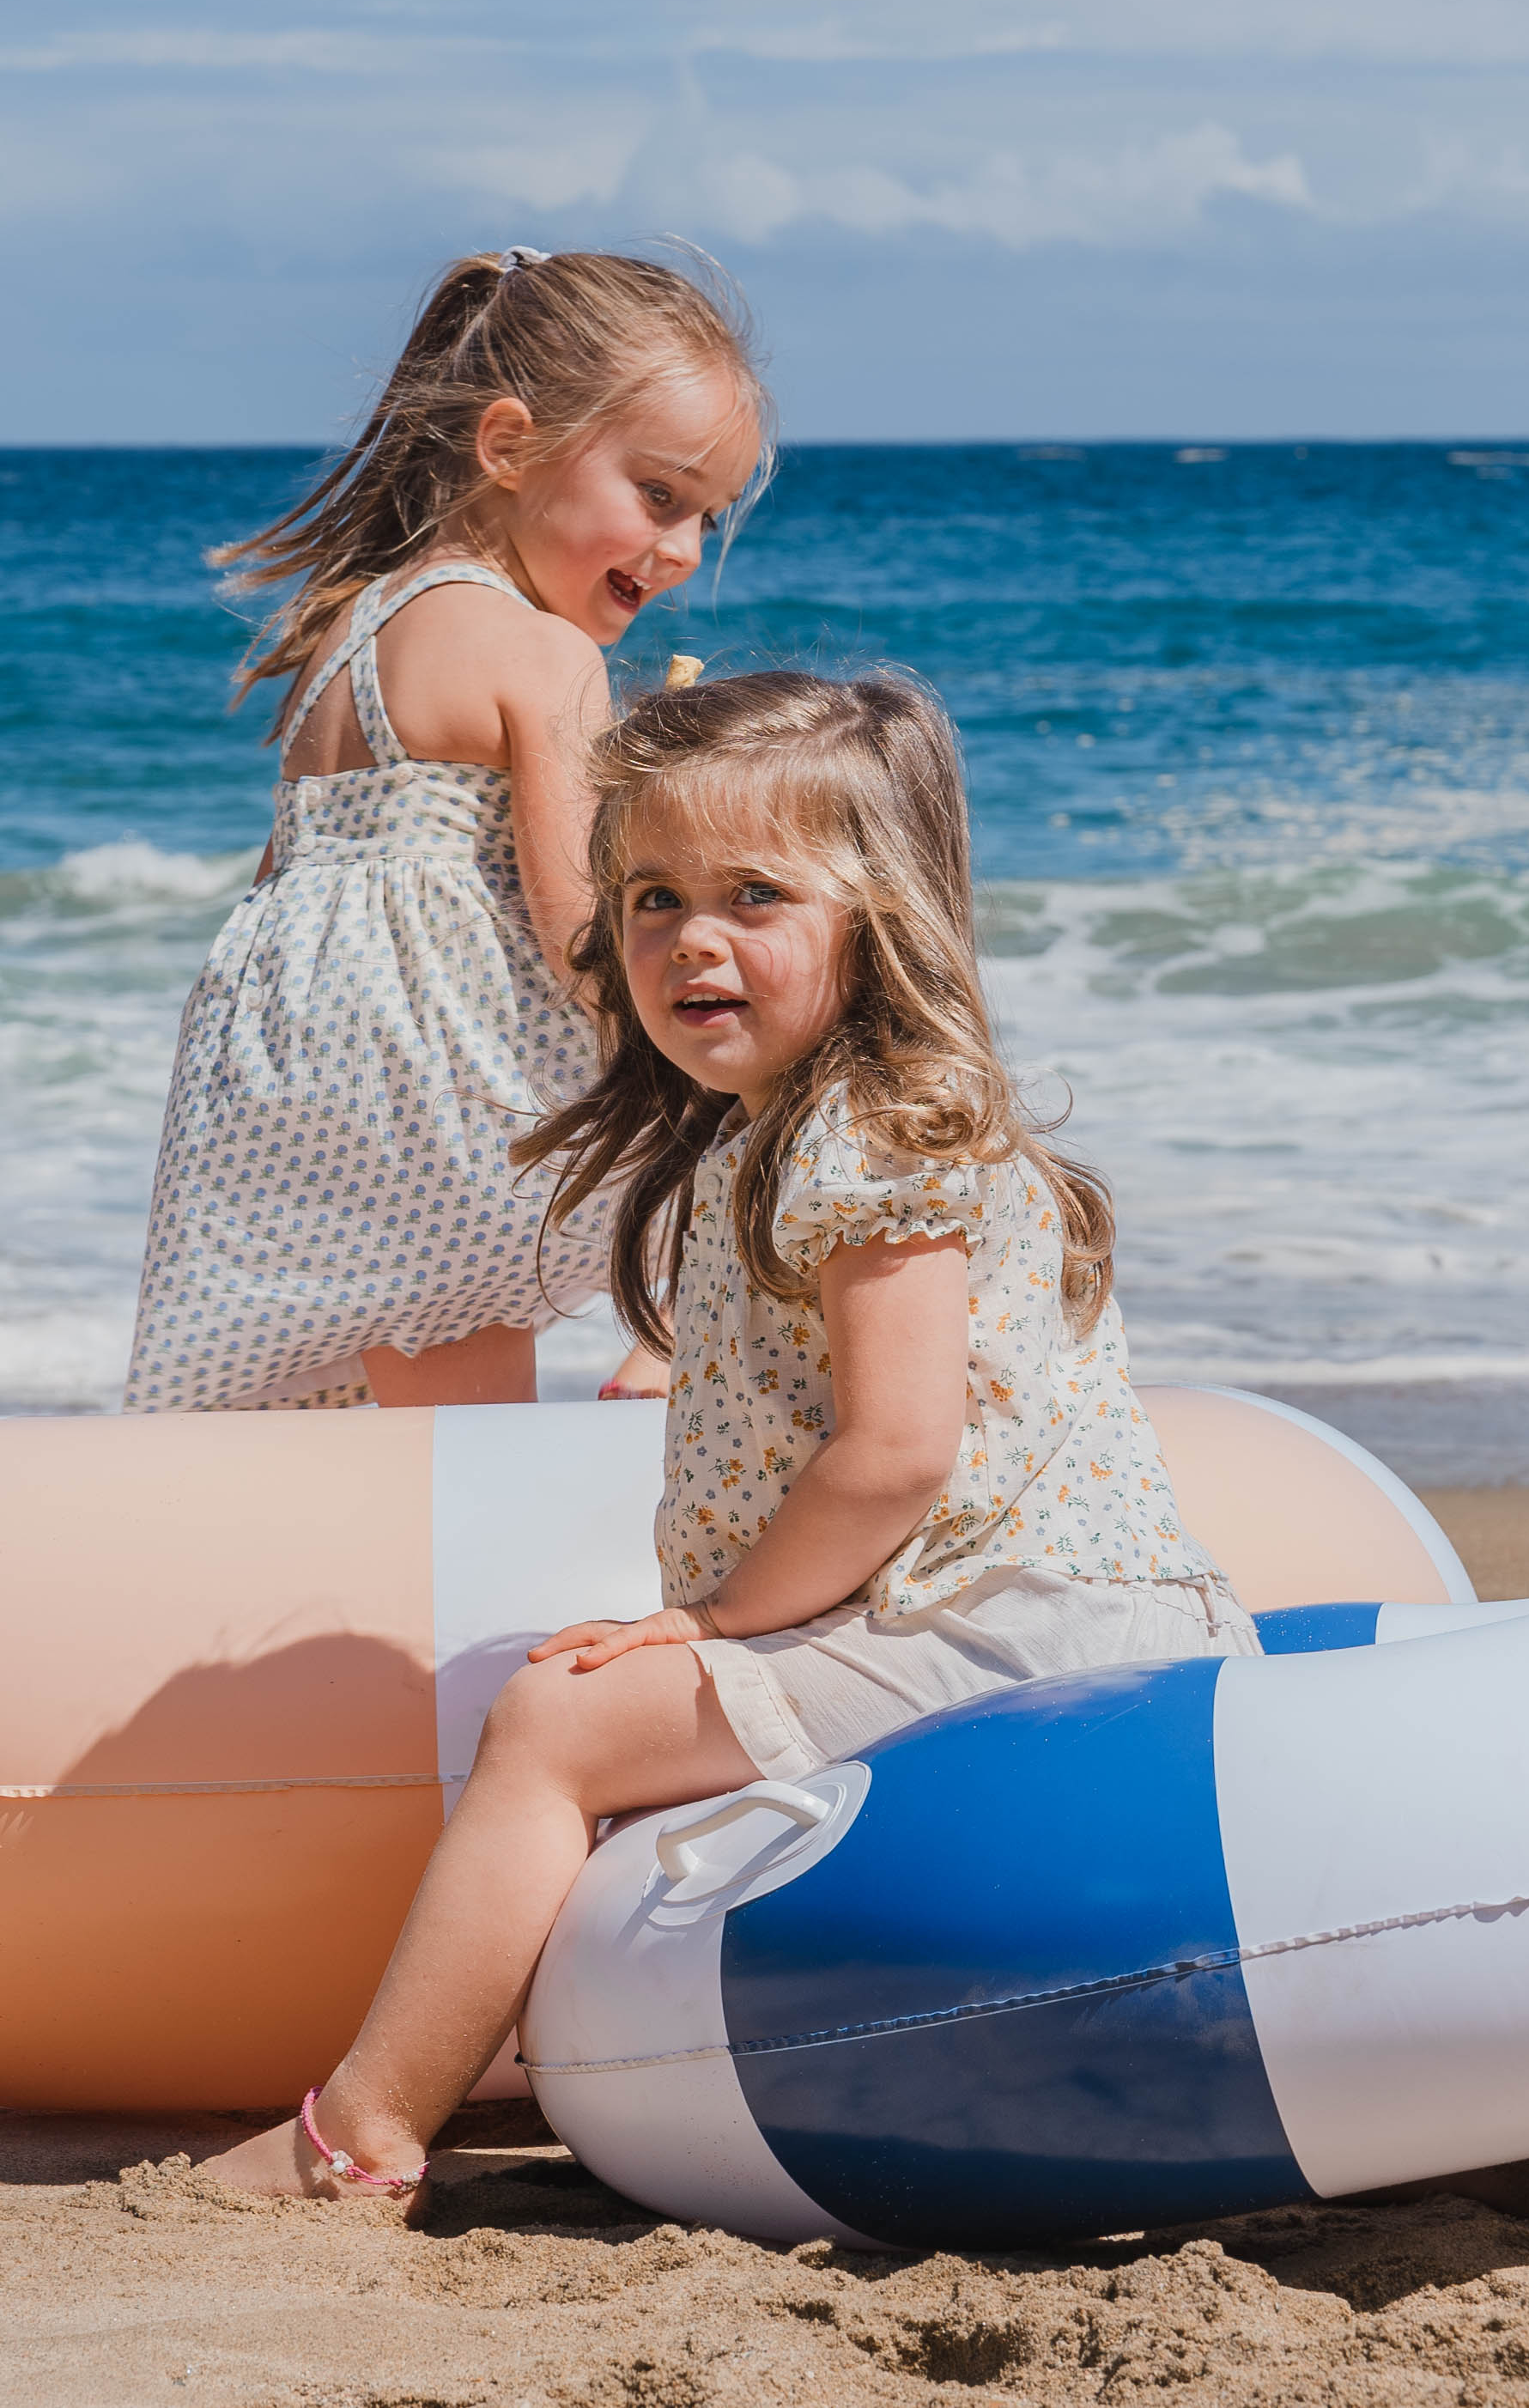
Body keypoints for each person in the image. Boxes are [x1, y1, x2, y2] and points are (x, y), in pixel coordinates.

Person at [204, 670, 1254, 2203]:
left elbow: (898, 1451)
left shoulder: (869, 1127)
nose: (690, 937)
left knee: (552, 1726)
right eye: (651, 896)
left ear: (876, 919)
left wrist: (705, 1622)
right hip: (965, 1617)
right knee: (589, 1705)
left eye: (752, 895)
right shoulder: (780, 1126)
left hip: (1014, 1636)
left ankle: (363, 2134)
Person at [123, 246, 763, 1413]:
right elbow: (586, 930)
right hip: (447, 1102)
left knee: (345, 1415)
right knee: (741, 1113)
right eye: (660, 496)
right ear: (510, 446)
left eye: (705, 518)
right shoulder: (545, 654)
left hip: (283, 1097)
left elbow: (281, 892)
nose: (678, 550)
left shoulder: (347, 639)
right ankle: (677, 1334)